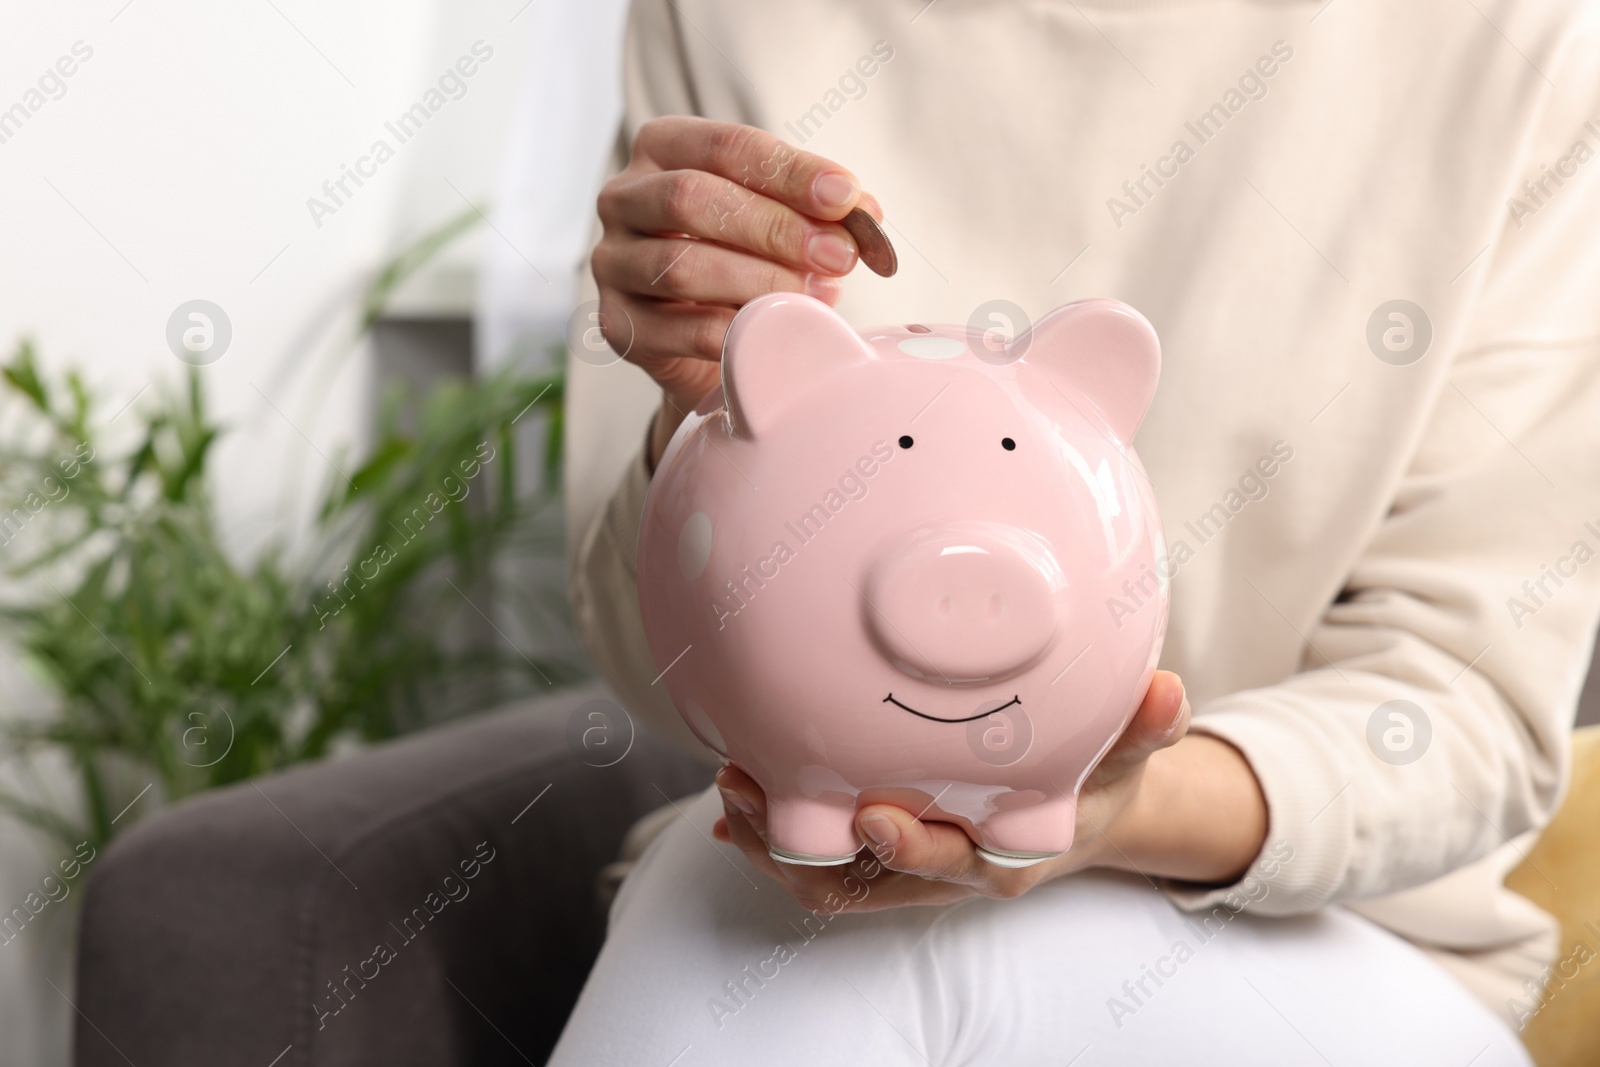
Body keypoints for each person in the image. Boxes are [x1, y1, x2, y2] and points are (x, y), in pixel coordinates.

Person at [553, 1, 1600, 1062]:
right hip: (799, 877)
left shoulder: (1511, 43)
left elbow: (1466, 712)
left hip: (1333, 940)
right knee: (756, 911)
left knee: (778, 932)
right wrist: (703, 415)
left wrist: (1117, 808)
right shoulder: (727, 17)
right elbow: (655, 668)